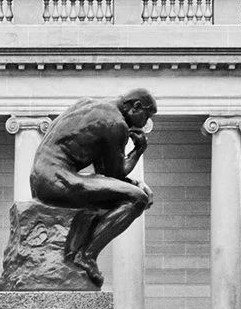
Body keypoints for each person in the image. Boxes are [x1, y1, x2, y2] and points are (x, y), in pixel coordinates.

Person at [29, 88, 157, 285]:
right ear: (136, 107)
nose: (146, 122)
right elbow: (114, 174)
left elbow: (105, 174)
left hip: (44, 177)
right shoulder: (115, 123)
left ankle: (72, 252)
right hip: (56, 180)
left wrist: (133, 183)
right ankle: (86, 255)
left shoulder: (90, 104)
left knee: (105, 197)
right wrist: (138, 150)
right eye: (146, 115)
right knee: (137, 199)